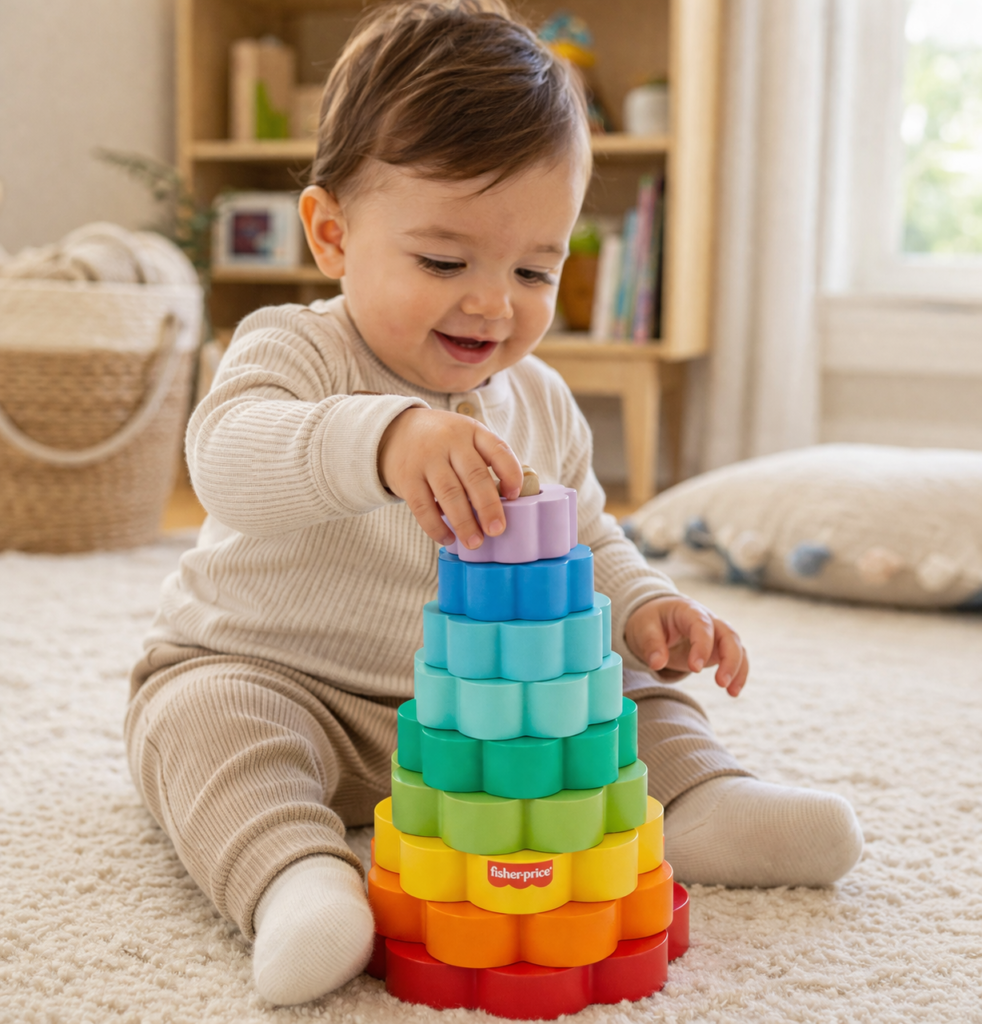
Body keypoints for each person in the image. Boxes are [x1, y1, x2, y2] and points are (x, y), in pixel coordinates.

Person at [125, 0, 863, 1007]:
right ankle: (297, 878)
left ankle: (697, 802)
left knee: (621, 696)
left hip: (498, 725)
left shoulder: (541, 400)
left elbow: (587, 533)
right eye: (443, 261)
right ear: (333, 234)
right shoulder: (290, 347)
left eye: (533, 268)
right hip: (288, 678)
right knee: (207, 719)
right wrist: (385, 439)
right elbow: (227, 459)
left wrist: (644, 607)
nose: (493, 302)